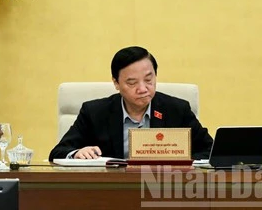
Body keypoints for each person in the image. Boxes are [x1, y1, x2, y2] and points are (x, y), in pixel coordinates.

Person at [49, 46, 213, 161]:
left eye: (149, 80)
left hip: (163, 190)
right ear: (116, 83)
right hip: (112, 192)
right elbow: (58, 152)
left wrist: (181, 161)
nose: (143, 89)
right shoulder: (95, 112)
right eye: (132, 83)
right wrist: (77, 153)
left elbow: (210, 152)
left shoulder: (177, 110)